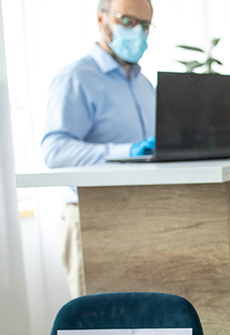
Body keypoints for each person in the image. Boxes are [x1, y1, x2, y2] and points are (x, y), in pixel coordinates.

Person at [42, 0, 157, 298]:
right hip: (91, 221)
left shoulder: (145, 85)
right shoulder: (76, 78)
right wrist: (125, 153)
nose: (139, 32)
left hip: (144, 217)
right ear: (101, 19)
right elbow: (55, 151)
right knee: (98, 330)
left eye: (145, 25)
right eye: (128, 21)